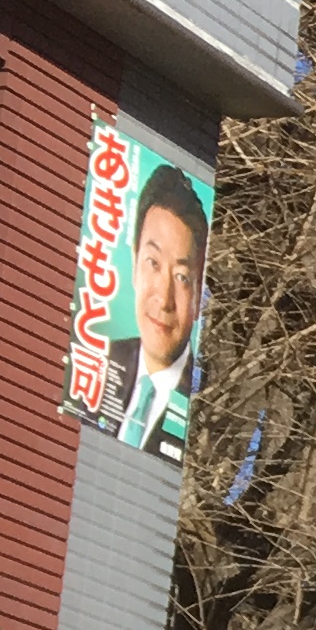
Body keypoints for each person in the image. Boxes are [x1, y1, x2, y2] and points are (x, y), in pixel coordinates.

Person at [98, 164, 207, 455]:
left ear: (198, 296)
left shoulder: (202, 408)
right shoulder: (100, 359)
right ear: (134, 263)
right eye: (153, 263)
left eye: (182, 277)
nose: (164, 298)